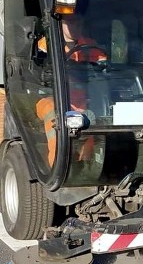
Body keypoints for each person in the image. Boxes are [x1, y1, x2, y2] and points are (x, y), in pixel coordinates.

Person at [35, 14, 107, 167]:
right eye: (71, 22)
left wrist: (87, 69)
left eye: (79, 22)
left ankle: (85, 168)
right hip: (51, 97)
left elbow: (104, 68)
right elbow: (37, 69)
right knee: (55, 116)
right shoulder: (46, 44)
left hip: (82, 100)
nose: (76, 26)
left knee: (94, 120)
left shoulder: (91, 46)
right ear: (60, 23)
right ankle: (57, 165)